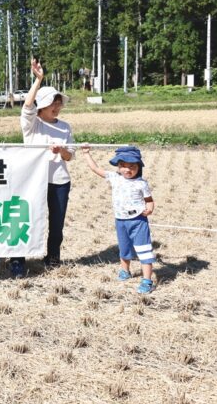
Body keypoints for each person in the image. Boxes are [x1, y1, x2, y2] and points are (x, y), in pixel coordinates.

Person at [10, 59, 75, 278]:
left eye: (59, 103)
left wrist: (61, 151)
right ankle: (18, 260)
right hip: (31, 181)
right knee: (24, 219)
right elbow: (27, 107)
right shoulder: (32, 124)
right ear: (42, 105)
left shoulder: (65, 127)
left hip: (59, 181)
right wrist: (38, 80)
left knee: (56, 225)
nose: (57, 107)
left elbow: (70, 155)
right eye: (52, 103)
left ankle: (53, 258)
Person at [82, 145, 155, 294]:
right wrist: (86, 153)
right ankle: (125, 270)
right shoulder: (115, 177)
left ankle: (147, 280)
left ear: (138, 166)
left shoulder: (141, 183)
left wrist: (150, 208)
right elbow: (96, 169)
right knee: (124, 248)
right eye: (123, 166)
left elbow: (149, 200)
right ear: (118, 166)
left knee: (144, 250)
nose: (127, 170)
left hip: (138, 221)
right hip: (121, 220)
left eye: (132, 166)